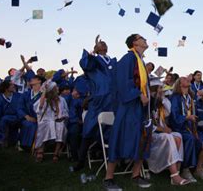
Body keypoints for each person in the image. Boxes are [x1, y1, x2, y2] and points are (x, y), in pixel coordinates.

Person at [104, 34, 152, 190]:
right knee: (119, 138)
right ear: (134, 42)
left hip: (139, 108)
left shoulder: (141, 61)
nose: (145, 39)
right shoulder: (128, 58)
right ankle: (108, 178)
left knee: (142, 139)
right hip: (128, 106)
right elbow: (123, 82)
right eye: (141, 37)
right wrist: (138, 94)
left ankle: (136, 174)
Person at [72, 35, 117, 172]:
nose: (102, 44)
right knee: (88, 130)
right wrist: (93, 51)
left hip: (113, 101)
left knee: (112, 130)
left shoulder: (114, 61)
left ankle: (111, 161)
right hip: (98, 101)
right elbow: (85, 64)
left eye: (104, 43)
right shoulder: (94, 61)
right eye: (100, 43)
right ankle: (80, 161)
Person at [147, 83, 190, 186]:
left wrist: (162, 98)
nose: (163, 91)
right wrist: (161, 128)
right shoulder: (148, 105)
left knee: (178, 136)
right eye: (160, 88)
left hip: (160, 133)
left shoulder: (160, 105)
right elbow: (144, 124)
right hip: (150, 134)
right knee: (168, 137)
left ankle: (176, 171)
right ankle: (174, 175)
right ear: (153, 91)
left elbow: (169, 111)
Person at [169, 76, 203, 182]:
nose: (187, 79)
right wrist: (186, 117)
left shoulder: (191, 98)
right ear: (179, 84)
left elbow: (197, 113)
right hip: (179, 128)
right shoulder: (175, 97)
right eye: (183, 78)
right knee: (190, 139)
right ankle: (185, 169)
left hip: (192, 128)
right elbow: (174, 116)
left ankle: (199, 169)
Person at [33, 81, 62, 162]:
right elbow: (41, 107)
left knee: (60, 126)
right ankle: (40, 149)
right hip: (43, 119)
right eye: (55, 88)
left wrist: (56, 102)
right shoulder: (43, 99)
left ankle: (56, 152)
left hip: (53, 120)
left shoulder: (56, 100)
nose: (57, 89)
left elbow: (57, 112)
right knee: (43, 125)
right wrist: (45, 91)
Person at [0, 80, 21, 147]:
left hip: (18, 117)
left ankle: (0, 140)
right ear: (6, 88)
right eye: (11, 85)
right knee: (3, 120)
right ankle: (1, 140)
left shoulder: (19, 96)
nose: (14, 86)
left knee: (4, 119)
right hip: (5, 119)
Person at [17, 75, 45, 150]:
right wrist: (26, 116)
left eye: (34, 79)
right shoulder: (25, 94)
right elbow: (19, 108)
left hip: (42, 119)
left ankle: (38, 147)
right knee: (29, 125)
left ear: (39, 81)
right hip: (27, 118)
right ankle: (26, 146)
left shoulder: (44, 94)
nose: (31, 80)